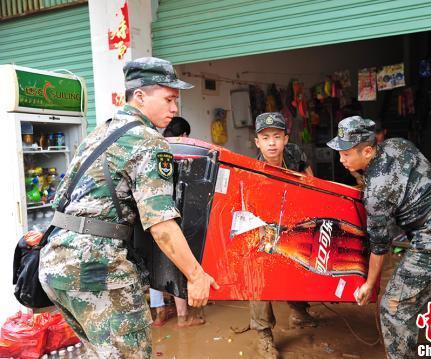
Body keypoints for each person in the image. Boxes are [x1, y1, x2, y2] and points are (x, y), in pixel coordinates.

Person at [39, 57, 218, 358]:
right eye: (169, 99)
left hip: (56, 264)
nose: (175, 109)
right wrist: (196, 275)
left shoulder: (101, 132)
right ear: (139, 96)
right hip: (98, 267)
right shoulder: (148, 140)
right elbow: (160, 225)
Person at [327, 116, 431, 359]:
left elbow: (379, 246)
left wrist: (369, 284)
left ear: (367, 150)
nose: (341, 159)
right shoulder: (398, 144)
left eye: (346, 154)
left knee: (394, 307)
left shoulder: (376, 192)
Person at [250, 112, 315, 359]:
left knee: (300, 262)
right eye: (265, 138)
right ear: (257, 142)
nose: (271, 143)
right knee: (258, 272)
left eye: (277, 136)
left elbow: (312, 184)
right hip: (264, 224)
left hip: (295, 216)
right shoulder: (252, 168)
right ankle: (263, 335)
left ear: (286, 138)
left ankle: (299, 311)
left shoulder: (295, 154)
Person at [151, 116, 205, 328]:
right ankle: (183, 317)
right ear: (183, 135)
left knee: (154, 263)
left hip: (150, 217)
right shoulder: (182, 151)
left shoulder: (154, 146)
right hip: (172, 217)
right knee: (179, 264)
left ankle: (159, 314)